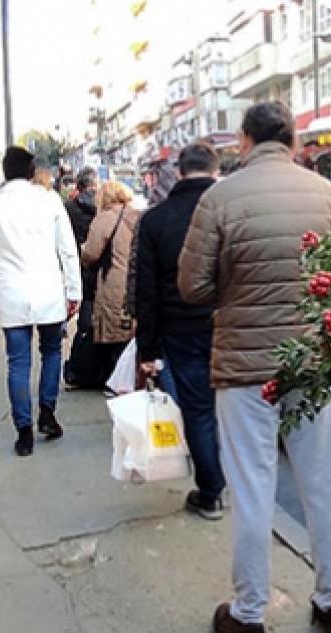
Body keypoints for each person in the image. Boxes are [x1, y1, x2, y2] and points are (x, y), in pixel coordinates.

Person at [178, 101, 331, 633]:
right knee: (325, 484)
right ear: (296, 142)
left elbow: (193, 287)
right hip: (317, 362)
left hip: (245, 366)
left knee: (252, 489)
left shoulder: (220, 198)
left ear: (246, 141)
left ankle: (249, 614)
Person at [136, 142, 224, 520]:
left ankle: (211, 492)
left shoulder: (156, 220)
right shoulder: (230, 210)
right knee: (240, 411)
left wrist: (147, 351)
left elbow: (147, 292)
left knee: (200, 412)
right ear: (215, 169)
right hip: (232, 326)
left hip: (181, 329)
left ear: (179, 172)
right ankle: (247, 486)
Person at [0, 147, 82, 457]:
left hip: (12, 294)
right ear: (32, 170)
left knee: (18, 362)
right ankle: (47, 412)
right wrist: (74, 290)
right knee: (51, 352)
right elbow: (68, 249)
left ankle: (24, 431)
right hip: (49, 290)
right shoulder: (49, 201)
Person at [80, 181, 139, 387]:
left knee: (113, 330)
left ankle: (115, 379)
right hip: (137, 278)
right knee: (131, 329)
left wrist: (82, 250)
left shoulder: (105, 218)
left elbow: (91, 254)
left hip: (113, 279)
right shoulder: (138, 215)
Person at [63, 167, 101, 390]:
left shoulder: (67, 209)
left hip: (78, 271)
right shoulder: (104, 211)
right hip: (103, 273)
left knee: (85, 323)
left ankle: (79, 370)